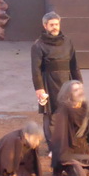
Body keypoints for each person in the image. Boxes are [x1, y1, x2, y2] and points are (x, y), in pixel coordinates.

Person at [31, 11, 82, 144]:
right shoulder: (38, 45)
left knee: (70, 113)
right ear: (45, 26)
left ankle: (68, 142)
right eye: (52, 24)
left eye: (57, 24)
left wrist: (79, 84)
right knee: (51, 115)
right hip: (49, 83)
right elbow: (35, 69)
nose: (55, 27)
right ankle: (53, 146)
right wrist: (39, 89)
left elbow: (74, 65)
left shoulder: (68, 42)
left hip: (68, 81)